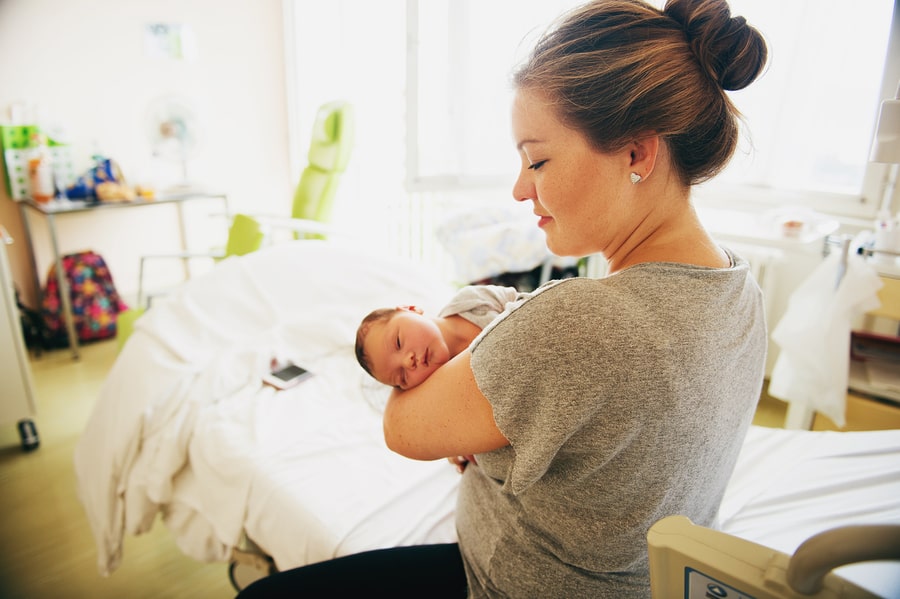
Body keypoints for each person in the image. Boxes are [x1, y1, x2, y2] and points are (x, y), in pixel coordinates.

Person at [238, 0, 768, 596]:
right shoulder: (741, 291)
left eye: (537, 159)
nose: (520, 189)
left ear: (637, 154)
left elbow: (405, 427)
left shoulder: (576, 320)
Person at [354, 284, 522, 391]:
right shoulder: (450, 387)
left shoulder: (471, 301)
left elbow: (532, 301)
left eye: (398, 342)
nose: (408, 362)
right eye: (402, 377)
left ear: (410, 309)